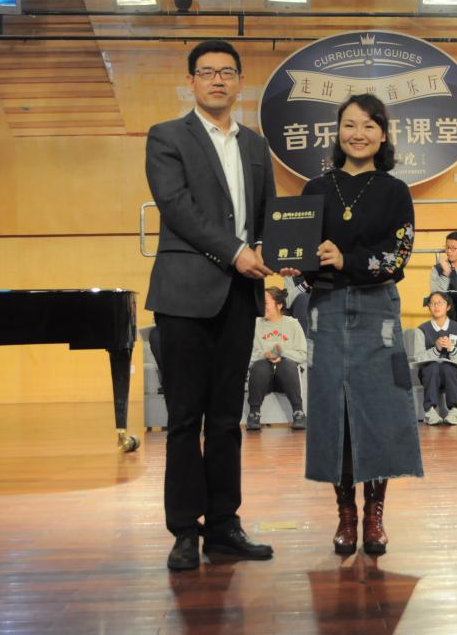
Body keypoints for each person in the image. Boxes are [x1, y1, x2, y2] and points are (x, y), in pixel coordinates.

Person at [145, 39, 276, 571]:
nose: (217, 80)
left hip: (238, 296)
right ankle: (184, 529)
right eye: (206, 72)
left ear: (240, 82)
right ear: (191, 83)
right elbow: (177, 208)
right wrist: (237, 252)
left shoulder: (256, 145)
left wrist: (278, 253)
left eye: (227, 72)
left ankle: (224, 524)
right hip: (183, 296)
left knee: (226, 419)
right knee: (184, 418)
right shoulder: (167, 136)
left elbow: (266, 215)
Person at [295, 93, 422, 557]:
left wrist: (344, 259)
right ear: (337, 132)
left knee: (380, 411)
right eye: (349, 124)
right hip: (326, 309)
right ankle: (346, 512)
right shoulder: (314, 189)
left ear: (383, 135)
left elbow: (397, 256)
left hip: (377, 311)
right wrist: (297, 264)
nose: (358, 134)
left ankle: (375, 514)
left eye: (369, 125)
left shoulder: (395, 191)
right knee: (336, 412)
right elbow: (305, 259)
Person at [246, 287, 307, 431]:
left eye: (266, 302)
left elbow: (303, 354)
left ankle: (298, 413)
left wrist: (282, 353)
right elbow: (246, 354)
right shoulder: (255, 324)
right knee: (261, 365)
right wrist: (265, 355)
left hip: (286, 380)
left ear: (279, 305)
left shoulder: (293, 324)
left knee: (286, 364)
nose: (262, 306)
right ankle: (254, 414)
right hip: (261, 380)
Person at [411, 291, 457, 426]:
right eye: (432, 303)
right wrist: (436, 349)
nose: (436, 306)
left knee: (448, 367)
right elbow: (418, 357)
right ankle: (430, 411)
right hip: (429, 374)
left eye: (440, 303)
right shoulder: (421, 330)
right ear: (429, 307)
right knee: (433, 366)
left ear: (448, 306)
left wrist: (451, 349)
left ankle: (456, 410)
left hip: (452, 374)